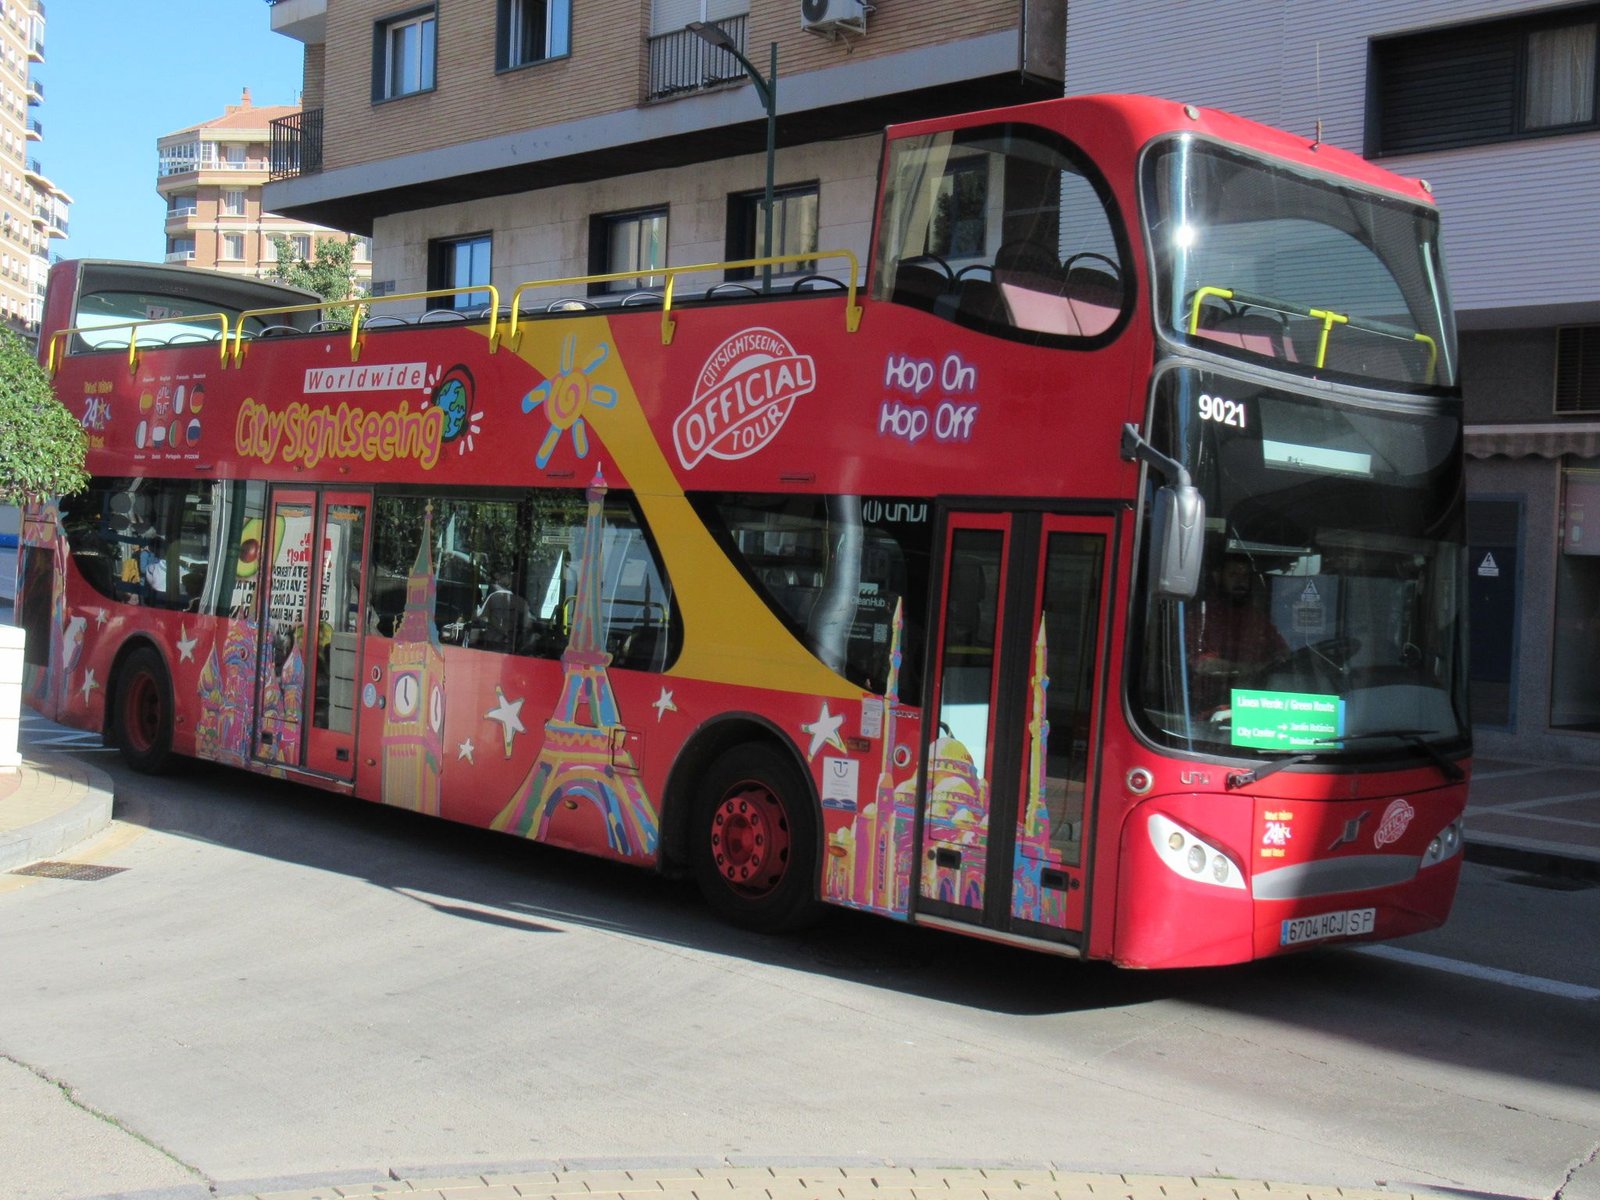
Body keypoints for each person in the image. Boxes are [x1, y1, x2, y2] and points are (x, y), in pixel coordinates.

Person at [1188, 555, 1287, 710]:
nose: (1241, 581)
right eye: (1233, 574)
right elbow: (1201, 664)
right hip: (1209, 706)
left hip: (1255, 703)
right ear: (1218, 577)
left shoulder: (1256, 618)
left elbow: (1283, 654)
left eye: (1245, 576)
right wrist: (1250, 669)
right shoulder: (1202, 616)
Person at [475, 568, 532, 652]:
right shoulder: (523, 603)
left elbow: (481, 617)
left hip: (492, 643)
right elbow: (528, 625)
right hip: (510, 645)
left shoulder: (493, 597)